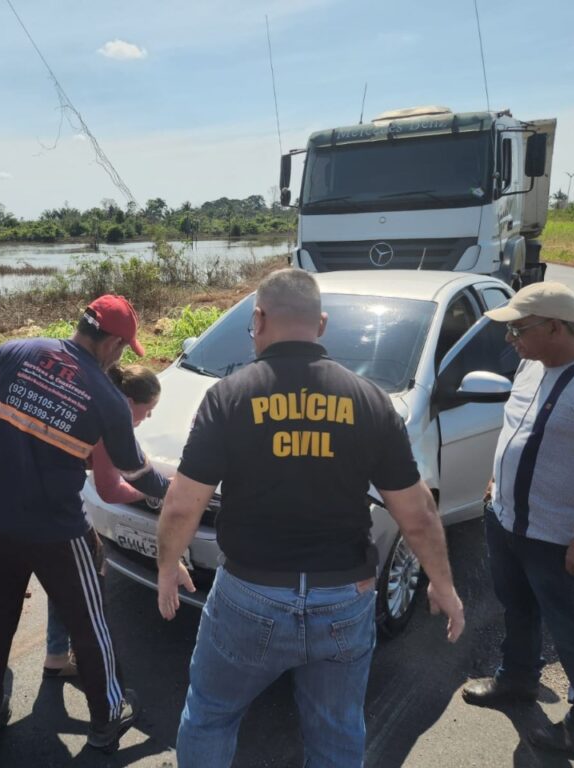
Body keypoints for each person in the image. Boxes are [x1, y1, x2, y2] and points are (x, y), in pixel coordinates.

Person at [156, 268, 465, 768]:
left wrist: (168, 567)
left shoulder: (229, 396)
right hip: (344, 596)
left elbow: (181, 503)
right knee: (337, 730)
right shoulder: (370, 401)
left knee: (212, 714)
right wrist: (443, 586)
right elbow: (418, 514)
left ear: (258, 319)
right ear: (320, 325)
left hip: (251, 593)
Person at [0, 294, 169, 757]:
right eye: (124, 348)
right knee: (91, 622)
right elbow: (136, 474)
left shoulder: (15, 352)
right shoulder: (105, 396)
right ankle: (107, 719)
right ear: (112, 345)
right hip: (56, 532)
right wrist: (182, 494)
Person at [462, 282, 574, 755]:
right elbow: (520, 429)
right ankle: (517, 680)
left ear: (555, 326)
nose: (511, 338)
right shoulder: (529, 367)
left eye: (519, 329)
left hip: (557, 535)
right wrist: (498, 483)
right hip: (507, 521)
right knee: (517, 609)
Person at [43, 364, 162, 678]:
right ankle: (95, 672)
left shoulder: (88, 397)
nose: (147, 418)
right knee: (87, 577)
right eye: (148, 410)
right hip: (51, 507)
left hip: (13, 494)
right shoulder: (111, 421)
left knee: (8, 580)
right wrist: (152, 494)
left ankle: (52, 651)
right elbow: (110, 490)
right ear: (129, 403)